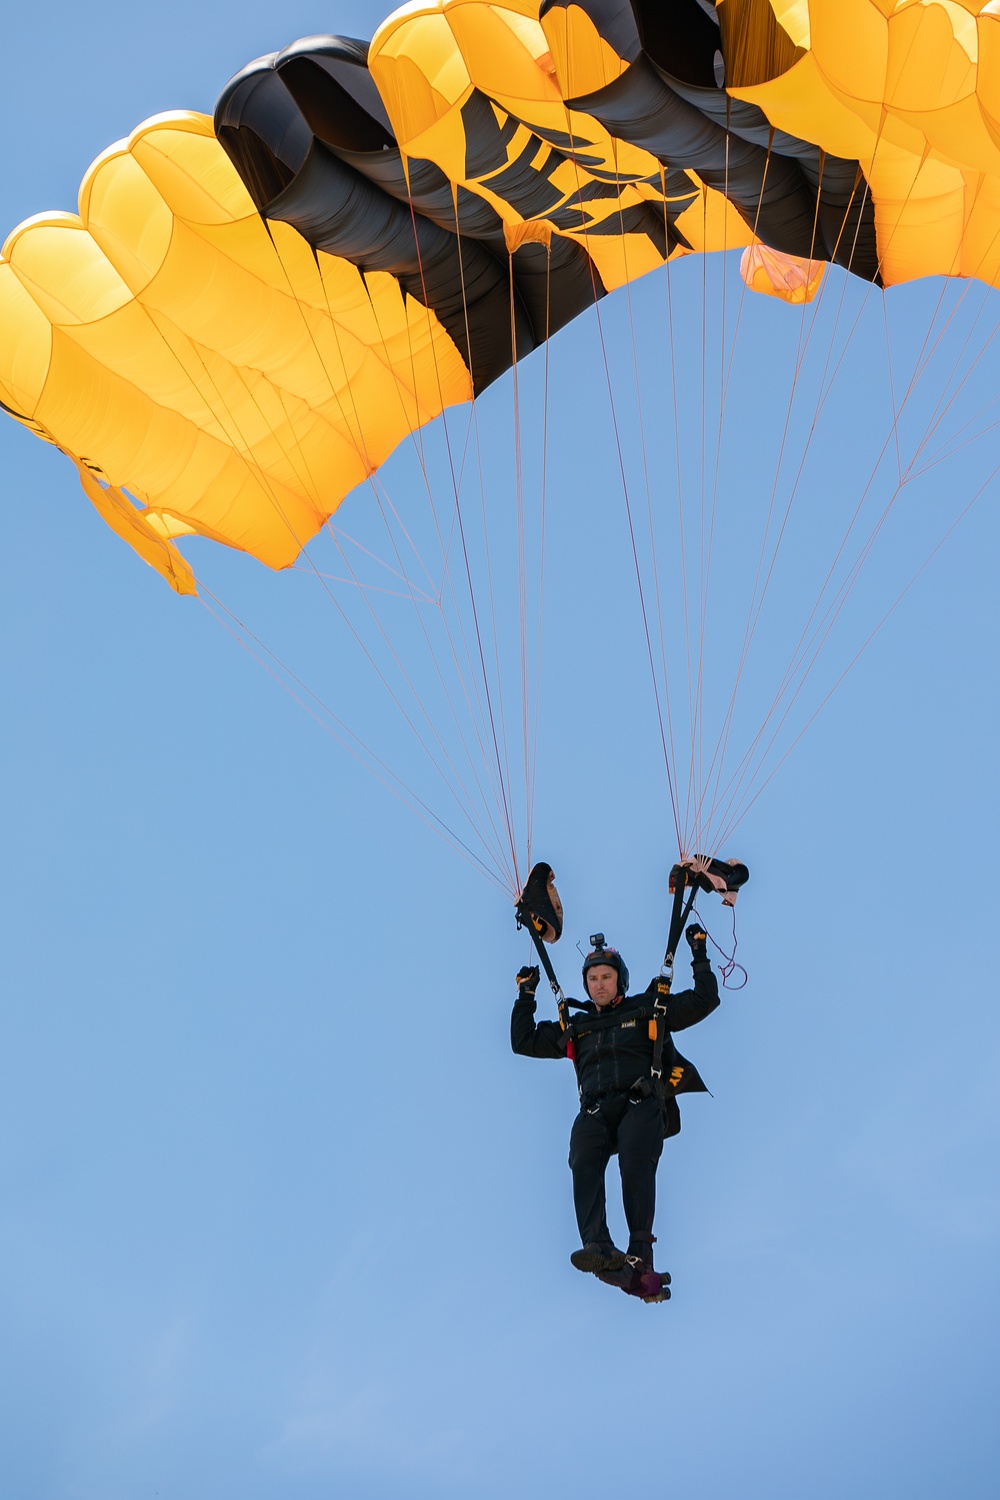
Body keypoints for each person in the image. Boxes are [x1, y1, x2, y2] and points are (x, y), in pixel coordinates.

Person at [510, 927, 719, 1286]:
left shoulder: (647, 1009)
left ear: (619, 981)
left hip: (639, 1102)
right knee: (582, 1154)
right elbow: (523, 1040)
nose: (599, 985)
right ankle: (599, 1245)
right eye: (592, 979)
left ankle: (640, 1252)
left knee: (634, 1159)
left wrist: (698, 953)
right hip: (596, 1110)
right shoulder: (577, 1026)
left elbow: (704, 1000)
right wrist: (526, 994)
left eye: (606, 977)